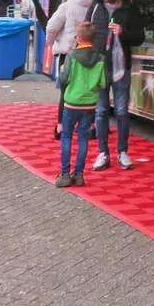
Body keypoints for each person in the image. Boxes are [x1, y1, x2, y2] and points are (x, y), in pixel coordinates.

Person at [87, 0, 142, 172]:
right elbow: (85, 31)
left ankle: (123, 152)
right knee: (101, 111)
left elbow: (139, 37)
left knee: (121, 111)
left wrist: (122, 32)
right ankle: (103, 152)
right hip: (99, 66)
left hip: (121, 67)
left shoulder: (130, 10)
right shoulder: (96, 6)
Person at [54, 22, 106, 188]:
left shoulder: (72, 56)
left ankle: (64, 174)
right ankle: (79, 174)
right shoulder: (101, 58)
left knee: (67, 136)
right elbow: (103, 83)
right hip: (89, 104)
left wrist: (63, 71)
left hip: (72, 103)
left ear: (79, 38)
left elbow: (64, 79)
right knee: (83, 137)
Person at [45, 0, 95, 138]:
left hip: (68, 54)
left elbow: (51, 27)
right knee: (88, 89)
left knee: (66, 90)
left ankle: (62, 127)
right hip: (90, 52)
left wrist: (52, 43)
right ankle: (90, 126)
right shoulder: (95, 6)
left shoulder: (66, 6)